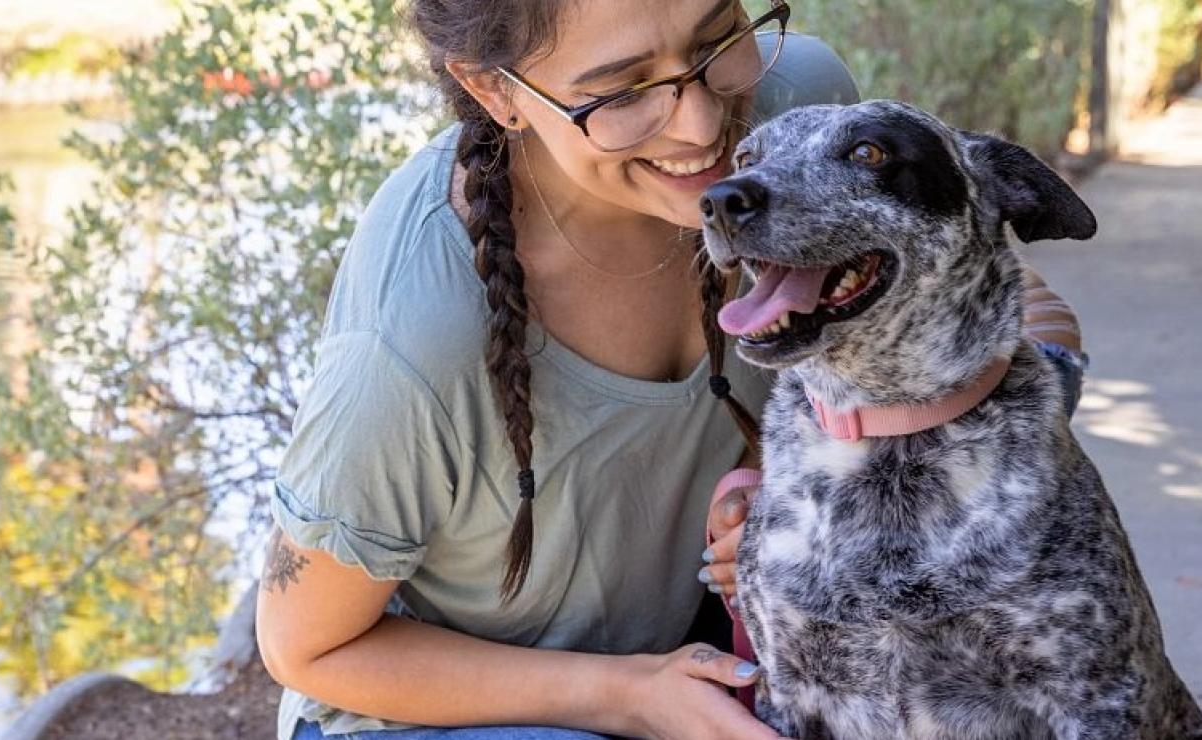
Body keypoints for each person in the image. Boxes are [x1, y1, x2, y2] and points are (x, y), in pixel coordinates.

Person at [254, 2, 1088, 738]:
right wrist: (630, 698)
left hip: (683, 658)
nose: (699, 126)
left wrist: (778, 476)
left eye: (717, 32)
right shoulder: (412, 341)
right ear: (495, 90)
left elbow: (1025, 321)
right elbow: (308, 647)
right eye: (621, 90)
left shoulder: (793, 106)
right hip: (443, 709)